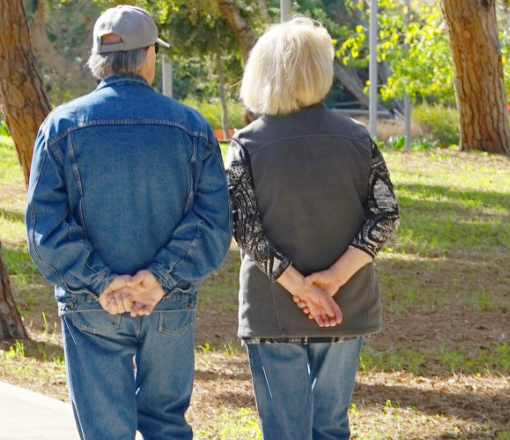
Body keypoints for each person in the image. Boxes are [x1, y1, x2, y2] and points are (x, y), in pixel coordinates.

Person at [25, 5, 231, 439]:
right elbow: (213, 224)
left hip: (90, 303)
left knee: (105, 432)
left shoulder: (61, 125)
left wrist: (101, 282)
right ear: (149, 55)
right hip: (168, 302)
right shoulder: (192, 126)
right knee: (167, 427)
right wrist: (158, 280)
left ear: (99, 59)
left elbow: (44, 229)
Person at [225, 16, 400, 439]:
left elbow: (243, 228)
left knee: (283, 431)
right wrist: (332, 280)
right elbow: (386, 214)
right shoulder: (358, 138)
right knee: (331, 427)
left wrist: (301, 287)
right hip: (345, 304)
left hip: (273, 308)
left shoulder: (246, 144)